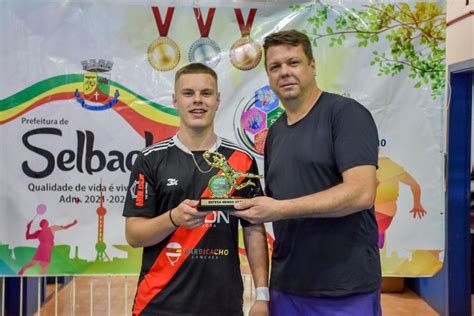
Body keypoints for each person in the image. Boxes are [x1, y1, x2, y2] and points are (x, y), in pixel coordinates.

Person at [234, 30, 382, 315]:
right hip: (288, 287)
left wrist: (279, 209)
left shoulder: (346, 114)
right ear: (267, 76)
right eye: (275, 67)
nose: (284, 72)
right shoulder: (275, 133)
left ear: (312, 66)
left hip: (344, 289)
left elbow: (362, 193)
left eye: (293, 63)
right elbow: (274, 204)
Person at [123, 63, 269, 316]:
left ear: (217, 100)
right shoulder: (151, 159)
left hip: (222, 304)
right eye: (188, 93)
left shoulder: (241, 160)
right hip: (159, 304)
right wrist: (173, 219)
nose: (197, 101)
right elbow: (134, 236)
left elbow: (254, 229)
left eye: (206, 93)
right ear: (175, 100)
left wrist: (262, 295)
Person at [375, 155, 427, 248]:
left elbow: (414, 185)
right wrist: (417, 204)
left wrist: (417, 204)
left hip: (380, 210)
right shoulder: (392, 168)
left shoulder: (382, 166)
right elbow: (415, 185)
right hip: (385, 211)